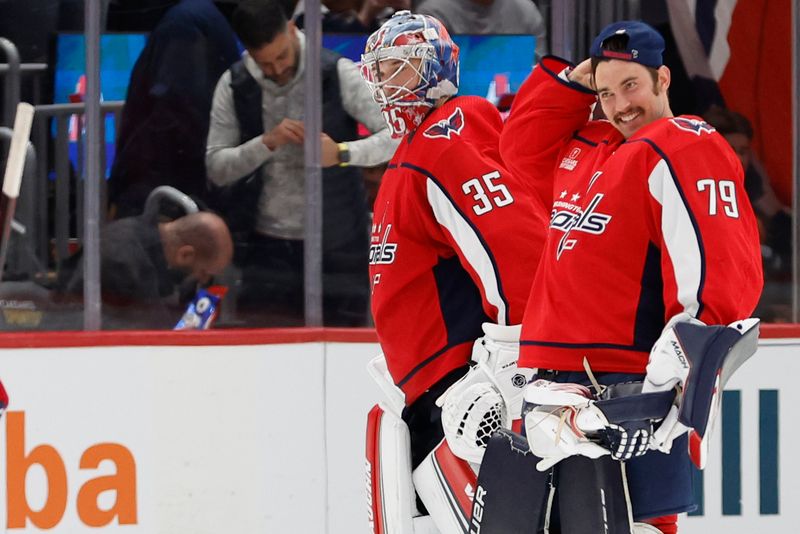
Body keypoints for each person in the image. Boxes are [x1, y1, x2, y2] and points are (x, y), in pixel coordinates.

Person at [489, 21, 763, 533]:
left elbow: (720, 270)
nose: (619, 105)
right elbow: (518, 148)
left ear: (663, 79)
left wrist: (675, 376)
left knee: (639, 526)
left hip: (625, 385)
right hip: (550, 380)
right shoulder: (586, 146)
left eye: (631, 85)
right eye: (605, 93)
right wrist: (575, 77)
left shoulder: (684, 143)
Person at [358, 11, 549, 533]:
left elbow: (517, 253)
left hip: (464, 393)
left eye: (399, 67)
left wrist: (512, 365)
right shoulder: (417, 148)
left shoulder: (447, 142)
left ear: (436, 70)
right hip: (428, 391)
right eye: (380, 69)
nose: (385, 83)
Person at [205, 0, 398, 326]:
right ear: (248, 52)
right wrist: (265, 143)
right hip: (263, 251)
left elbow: (395, 137)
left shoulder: (338, 72)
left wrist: (341, 153)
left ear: (292, 29)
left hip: (339, 246)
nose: (277, 69)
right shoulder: (233, 84)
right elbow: (216, 167)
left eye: (282, 56)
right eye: (264, 63)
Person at [107, 0, 241, 218]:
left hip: (168, 192)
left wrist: (127, 187)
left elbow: (174, 112)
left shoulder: (183, 25)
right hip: (192, 187)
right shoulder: (197, 17)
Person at [56, 211, 233, 329]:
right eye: (204, 273)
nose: (202, 281)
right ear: (185, 255)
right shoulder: (126, 264)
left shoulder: (135, 232)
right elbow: (153, 335)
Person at [414, 0, 548, 60]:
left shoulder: (526, 11)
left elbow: (540, 71)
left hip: (517, 107)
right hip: (453, 111)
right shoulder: (432, 15)